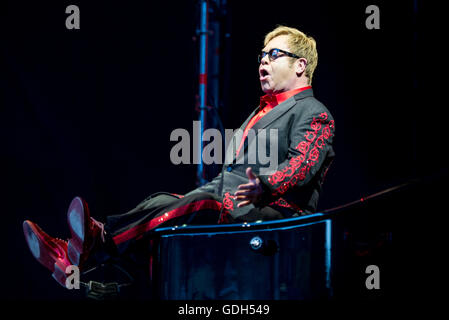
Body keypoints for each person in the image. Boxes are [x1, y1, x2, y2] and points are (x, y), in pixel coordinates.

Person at [23, 25, 336, 288]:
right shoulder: (261, 111)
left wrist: (264, 185)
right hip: (234, 201)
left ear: (300, 65)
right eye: (262, 55)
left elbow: (303, 163)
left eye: (274, 54)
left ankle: (95, 245)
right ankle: (82, 265)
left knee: (196, 202)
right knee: (160, 203)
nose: (262, 61)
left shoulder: (314, 111)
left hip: (275, 215)